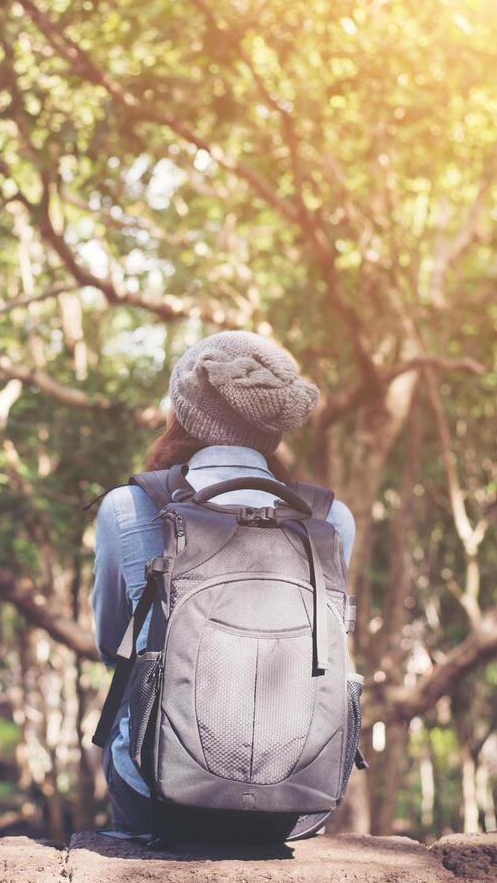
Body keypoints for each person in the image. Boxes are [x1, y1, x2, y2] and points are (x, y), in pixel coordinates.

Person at [91, 331, 356, 837]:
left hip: (158, 797)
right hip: (297, 805)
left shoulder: (128, 508)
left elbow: (112, 648)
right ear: (272, 426)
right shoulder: (329, 519)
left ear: (184, 410)